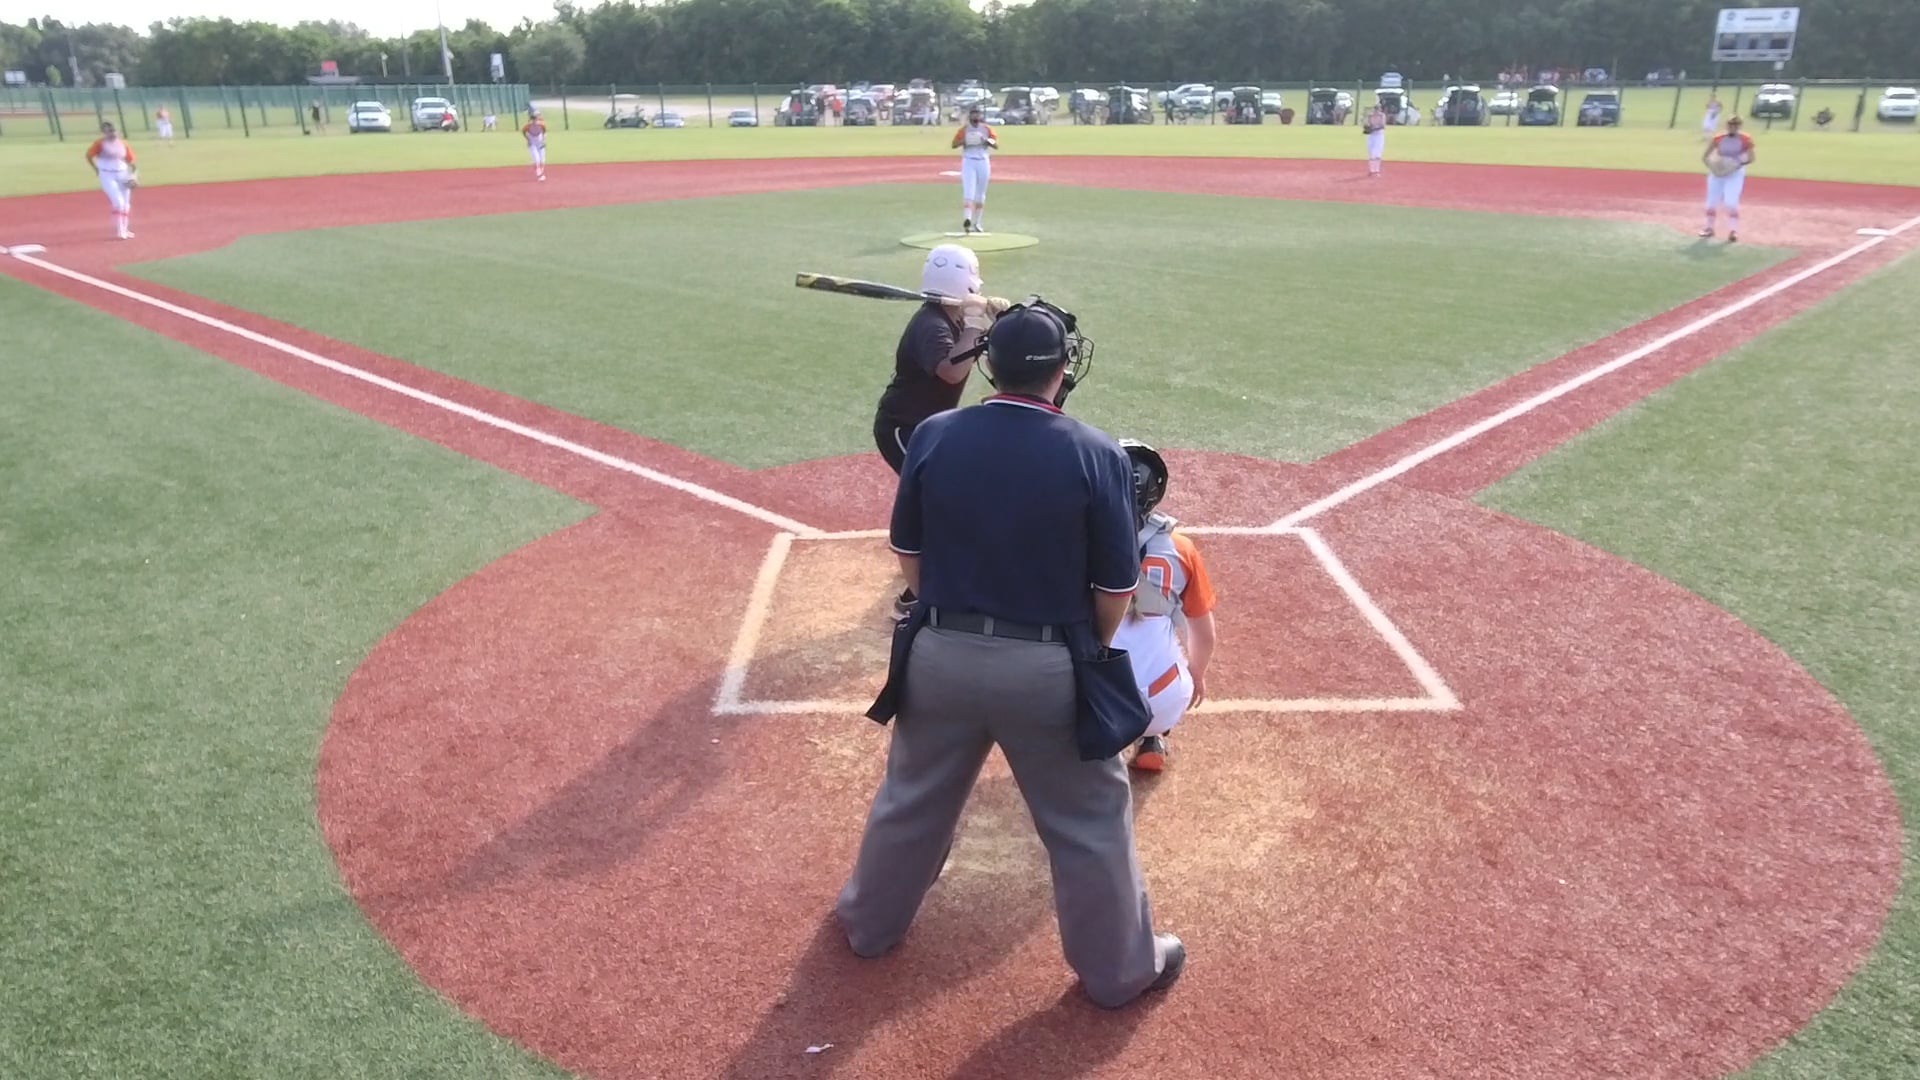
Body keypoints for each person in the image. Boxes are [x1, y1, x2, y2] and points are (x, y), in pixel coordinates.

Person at [837, 297, 1186, 1010]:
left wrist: (950, 616)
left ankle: (869, 926)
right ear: (1063, 370)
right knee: (1090, 822)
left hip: (938, 655)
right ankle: (1120, 972)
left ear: (990, 366)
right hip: (1048, 667)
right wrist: (1081, 650)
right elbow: (1115, 588)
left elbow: (909, 555)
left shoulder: (934, 434)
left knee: (912, 799)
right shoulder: (1095, 451)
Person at [871, 244, 1008, 619]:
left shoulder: (954, 315)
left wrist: (995, 320)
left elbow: (986, 354)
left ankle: (929, 560)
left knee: (949, 496)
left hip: (932, 428)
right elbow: (951, 370)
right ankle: (915, 595)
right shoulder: (931, 325)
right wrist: (977, 325)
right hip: (904, 428)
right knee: (935, 500)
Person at [1108, 440, 1218, 773]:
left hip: (1099, 702)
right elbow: (1204, 635)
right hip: (1164, 700)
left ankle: (1093, 745)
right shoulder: (1181, 548)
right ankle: (1152, 737)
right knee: (1164, 636)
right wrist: (1196, 676)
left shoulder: (1077, 540)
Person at [1701, 115, 1755, 243]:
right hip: (1717, 172)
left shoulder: (1745, 139)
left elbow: (1751, 158)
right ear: (1727, 125)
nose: (1733, 127)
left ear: (1739, 126)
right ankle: (1709, 228)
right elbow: (1705, 156)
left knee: (1731, 202)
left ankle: (1733, 231)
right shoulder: (1718, 138)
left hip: (1734, 173)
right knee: (1711, 203)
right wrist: (1714, 168)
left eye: (1736, 125)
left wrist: (1736, 165)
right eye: (1731, 124)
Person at [84, 122, 137, 241]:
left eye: (114, 130)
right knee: (118, 203)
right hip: (107, 174)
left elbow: (131, 160)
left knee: (126, 204)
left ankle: (125, 229)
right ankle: (120, 230)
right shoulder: (100, 144)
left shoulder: (123, 143)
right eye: (109, 131)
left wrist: (133, 175)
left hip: (123, 173)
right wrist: (95, 168)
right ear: (104, 132)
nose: (112, 133)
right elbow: (89, 155)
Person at [952, 105, 997, 234]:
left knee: (981, 193)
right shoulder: (964, 130)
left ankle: (977, 222)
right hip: (969, 160)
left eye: (977, 113)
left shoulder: (986, 129)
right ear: (969, 115)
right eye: (973, 113)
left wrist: (986, 141)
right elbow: (954, 144)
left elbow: (995, 144)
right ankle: (967, 219)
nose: (975, 116)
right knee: (969, 190)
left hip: (983, 160)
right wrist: (964, 141)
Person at [522, 108, 548, 181]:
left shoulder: (541, 125)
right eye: (534, 119)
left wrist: (543, 141)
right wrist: (528, 140)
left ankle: (541, 172)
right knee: (537, 159)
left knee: (542, 160)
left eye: (536, 119)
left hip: (540, 142)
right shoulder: (527, 126)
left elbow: (544, 132)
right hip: (532, 143)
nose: (535, 121)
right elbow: (524, 132)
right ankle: (539, 174)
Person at [1363, 102, 1388, 178]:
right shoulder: (1370, 115)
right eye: (1376, 108)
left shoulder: (1382, 115)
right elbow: (1368, 124)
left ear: (1380, 109)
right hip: (1371, 136)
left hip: (1379, 136)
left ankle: (1377, 170)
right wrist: (1367, 128)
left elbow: (1382, 126)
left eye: (1378, 108)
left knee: (1377, 153)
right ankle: (1371, 170)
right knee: (1371, 153)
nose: (1377, 110)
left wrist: (1373, 128)